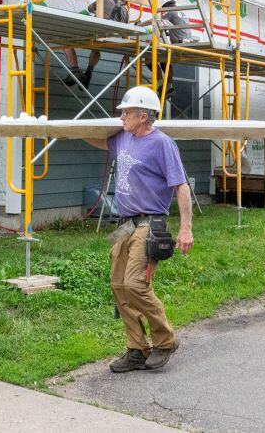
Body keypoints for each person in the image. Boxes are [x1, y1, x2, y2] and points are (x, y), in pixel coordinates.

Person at [84, 85, 194, 372]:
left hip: (149, 224)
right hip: (125, 224)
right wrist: (62, 129)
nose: (121, 116)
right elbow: (94, 140)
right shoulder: (123, 138)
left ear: (144, 116)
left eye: (127, 112)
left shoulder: (162, 144)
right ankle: (136, 349)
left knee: (135, 284)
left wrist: (186, 229)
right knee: (119, 286)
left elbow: (181, 187)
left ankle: (166, 340)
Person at [64, 0, 131, 88]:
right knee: (96, 49)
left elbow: (89, 9)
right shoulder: (125, 12)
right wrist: (126, 54)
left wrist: (98, 8)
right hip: (110, 40)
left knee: (66, 41)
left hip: (96, 33)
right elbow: (125, 35)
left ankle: (75, 71)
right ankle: (88, 73)